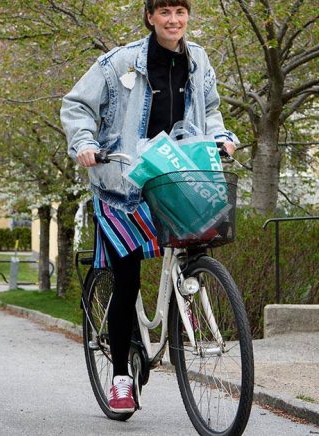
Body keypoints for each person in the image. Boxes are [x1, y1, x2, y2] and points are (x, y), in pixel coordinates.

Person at [60, 0, 238, 414]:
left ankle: (180, 313)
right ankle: (121, 377)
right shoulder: (119, 62)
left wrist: (221, 136)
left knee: (197, 246)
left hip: (178, 175)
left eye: (180, 11)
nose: (173, 20)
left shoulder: (198, 61)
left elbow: (210, 110)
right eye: (165, 12)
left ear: (187, 16)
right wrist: (85, 143)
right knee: (126, 280)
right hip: (122, 184)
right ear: (150, 17)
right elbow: (77, 106)